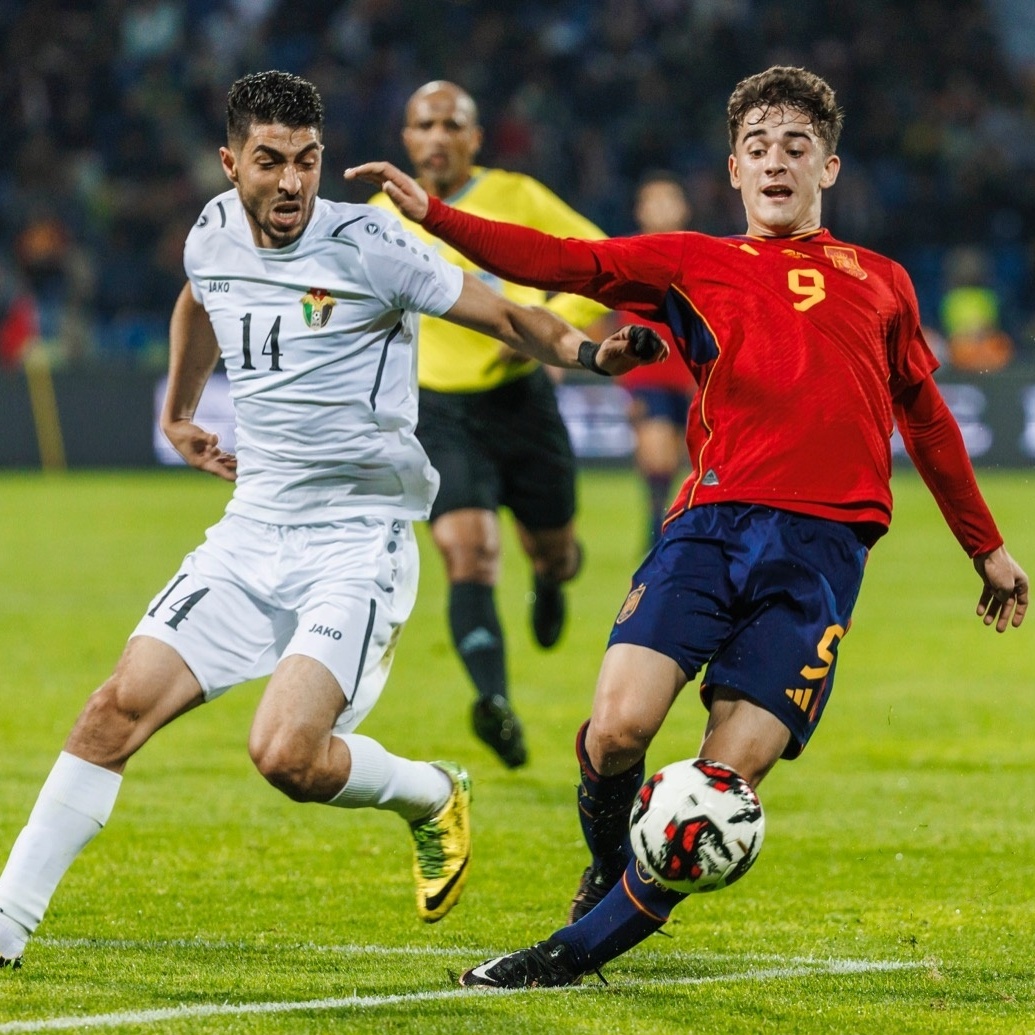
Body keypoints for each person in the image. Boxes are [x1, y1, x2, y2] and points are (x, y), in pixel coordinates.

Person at [346, 64, 1029, 988]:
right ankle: (600, 868)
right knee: (617, 730)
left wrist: (983, 545)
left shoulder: (883, 283)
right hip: (709, 528)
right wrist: (434, 212)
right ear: (734, 170)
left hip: (821, 558)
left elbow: (928, 417)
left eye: (796, 148)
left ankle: (564, 957)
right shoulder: (692, 262)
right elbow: (559, 262)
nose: (776, 163)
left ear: (828, 168)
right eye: (758, 149)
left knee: (714, 796)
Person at [0, 70, 664, 971]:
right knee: (111, 711)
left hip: (359, 538)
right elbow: (199, 298)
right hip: (252, 528)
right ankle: (6, 925)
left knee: (284, 755)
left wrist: (588, 351)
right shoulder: (210, 231)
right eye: (269, 161)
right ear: (231, 161)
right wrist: (178, 411)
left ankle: (430, 791)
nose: (290, 184)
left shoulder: (370, 246)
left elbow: (503, 310)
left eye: (306, 162)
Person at [366, 81, 610, 769]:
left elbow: (597, 265)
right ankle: (493, 700)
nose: (438, 136)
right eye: (424, 124)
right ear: (407, 138)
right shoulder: (377, 216)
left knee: (555, 550)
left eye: (452, 124)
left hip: (520, 399)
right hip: (436, 411)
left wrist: (547, 331)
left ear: (474, 138)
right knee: (468, 555)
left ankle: (552, 580)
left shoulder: (515, 194)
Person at [613, 171, 696, 550]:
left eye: (670, 199)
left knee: (685, 460)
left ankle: (676, 526)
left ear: (685, 209)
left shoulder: (703, 255)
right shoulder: (624, 256)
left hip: (693, 377)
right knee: (657, 455)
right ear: (640, 211)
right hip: (646, 378)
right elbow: (596, 311)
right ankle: (655, 525)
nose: (663, 208)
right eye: (654, 200)